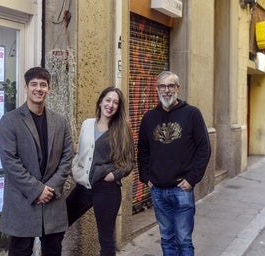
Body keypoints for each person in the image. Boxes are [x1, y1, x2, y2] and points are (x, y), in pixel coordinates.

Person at [0, 67, 73, 256]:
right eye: (34, 84)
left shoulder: (61, 121)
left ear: (49, 89)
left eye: (43, 84)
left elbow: (67, 156)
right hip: (22, 202)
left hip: (52, 201)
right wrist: (37, 190)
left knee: (53, 251)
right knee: (20, 251)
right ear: (26, 87)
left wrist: (49, 188)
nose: (38, 89)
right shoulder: (10, 120)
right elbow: (10, 162)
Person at [137, 71, 211, 256]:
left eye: (171, 86)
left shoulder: (192, 114)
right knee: (167, 238)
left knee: (184, 240)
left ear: (178, 88)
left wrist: (192, 179)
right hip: (158, 190)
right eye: (162, 86)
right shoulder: (149, 118)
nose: (166, 90)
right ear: (157, 90)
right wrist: (146, 178)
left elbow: (204, 148)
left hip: (182, 189)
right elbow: (143, 150)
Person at [66, 86, 135, 256]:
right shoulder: (87, 124)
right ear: (100, 101)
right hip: (83, 186)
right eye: (108, 100)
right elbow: (79, 152)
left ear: (118, 107)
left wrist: (113, 175)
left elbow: (129, 161)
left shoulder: (121, 130)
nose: (110, 105)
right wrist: (75, 170)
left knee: (106, 239)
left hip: (106, 189)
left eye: (115, 102)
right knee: (60, 222)